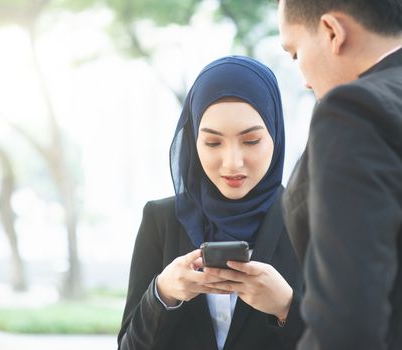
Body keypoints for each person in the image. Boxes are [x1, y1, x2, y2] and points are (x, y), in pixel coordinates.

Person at [277, 0, 402, 349]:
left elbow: (346, 326)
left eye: (295, 54)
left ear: (332, 32)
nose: (305, 80)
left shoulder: (357, 111)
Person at [118, 56, 304, 350]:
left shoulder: (309, 222)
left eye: (251, 141)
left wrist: (286, 307)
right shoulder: (161, 220)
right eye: (213, 143)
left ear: (276, 135)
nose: (233, 163)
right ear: (193, 141)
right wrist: (162, 293)